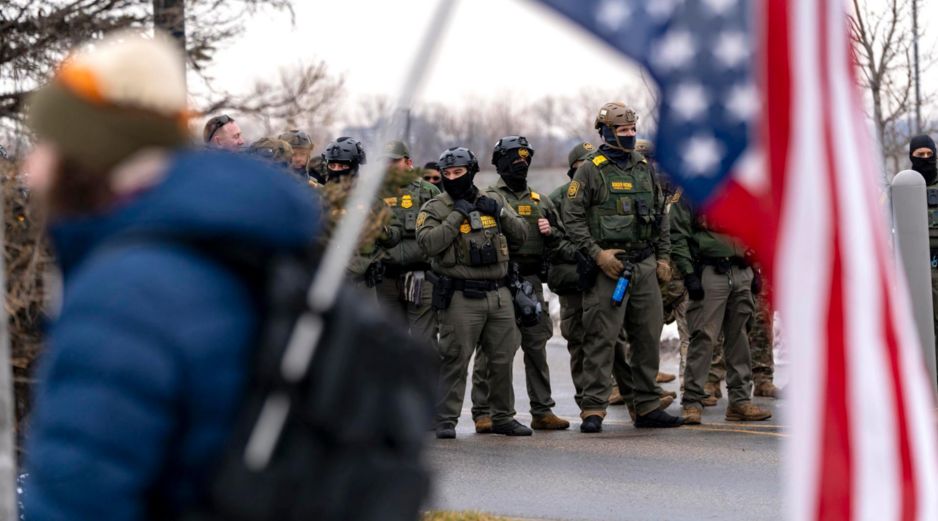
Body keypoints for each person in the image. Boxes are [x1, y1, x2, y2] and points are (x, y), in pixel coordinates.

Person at [21, 30, 320, 519]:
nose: (33, 169)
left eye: (48, 145)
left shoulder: (124, 295)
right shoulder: (227, 247)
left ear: (89, 153)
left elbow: (81, 499)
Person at [562, 102, 682, 432]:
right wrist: (598, 255)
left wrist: (663, 258)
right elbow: (571, 217)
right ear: (605, 132)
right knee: (601, 338)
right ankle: (593, 409)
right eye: (622, 130)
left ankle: (646, 406)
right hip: (609, 268)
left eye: (632, 130)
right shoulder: (590, 169)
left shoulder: (643, 167)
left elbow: (661, 217)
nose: (629, 136)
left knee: (646, 337)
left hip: (643, 265)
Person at [416, 146, 531, 439]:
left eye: (459, 172)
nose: (453, 178)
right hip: (460, 296)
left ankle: (503, 416)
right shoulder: (434, 208)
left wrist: (502, 213)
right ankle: (445, 419)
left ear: (472, 172)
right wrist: (456, 216)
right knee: (454, 358)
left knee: (502, 359)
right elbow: (428, 244)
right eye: (448, 174)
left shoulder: (493, 199)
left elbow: (521, 235)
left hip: (498, 293)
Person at [470, 136, 570, 432]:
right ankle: (483, 411)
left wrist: (550, 232)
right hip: (498, 281)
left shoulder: (541, 201)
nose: (520, 164)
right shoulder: (488, 198)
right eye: (514, 159)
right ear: (499, 163)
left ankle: (542, 410)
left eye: (525, 158)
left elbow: (563, 243)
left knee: (537, 345)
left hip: (530, 281)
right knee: (492, 349)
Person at [670, 196, 772, 424]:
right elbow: (677, 235)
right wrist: (688, 274)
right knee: (704, 337)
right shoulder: (692, 188)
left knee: (740, 338)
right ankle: (693, 402)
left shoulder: (739, 188)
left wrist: (755, 267)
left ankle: (740, 401)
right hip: (710, 270)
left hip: (740, 270)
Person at [376, 140, 441, 348]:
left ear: (408, 162)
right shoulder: (373, 193)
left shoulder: (428, 191)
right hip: (386, 278)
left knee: (424, 342)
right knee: (390, 343)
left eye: (394, 162)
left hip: (421, 277)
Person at [547, 142, 594, 410]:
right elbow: (552, 240)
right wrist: (582, 253)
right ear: (572, 170)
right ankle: (586, 398)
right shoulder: (557, 199)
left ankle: (618, 391)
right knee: (578, 341)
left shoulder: (600, 193)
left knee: (612, 339)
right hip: (572, 279)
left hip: (601, 276)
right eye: (582, 166)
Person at [321, 136, 400, 292]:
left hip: (360, 285)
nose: (336, 170)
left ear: (353, 167)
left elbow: (394, 236)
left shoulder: (370, 196)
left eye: (342, 166)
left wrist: (377, 225)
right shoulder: (319, 196)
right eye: (333, 165)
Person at [911, 134, 938, 346]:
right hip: (916, 277)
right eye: (920, 154)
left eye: (930, 154)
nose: (926, 158)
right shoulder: (901, 188)